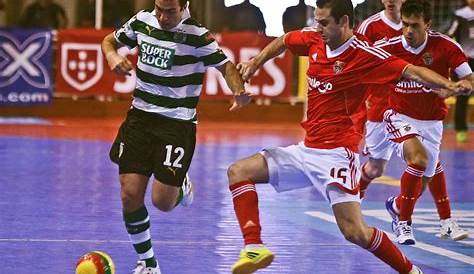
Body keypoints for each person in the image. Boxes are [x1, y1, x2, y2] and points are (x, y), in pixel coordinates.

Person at [228, 0, 471, 273]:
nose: (316, 28)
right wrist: (255, 62)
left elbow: (412, 70)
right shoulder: (314, 39)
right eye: (316, 21)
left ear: (344, 22)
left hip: (337, 155)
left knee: (355, 232)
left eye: (323, 23)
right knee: (238, 171)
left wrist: (449, 85)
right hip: (306, 150)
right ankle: (254, 247)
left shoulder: (364, 54)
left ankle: (411, 271)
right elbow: (285, 40)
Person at [101, 1, 251, 273]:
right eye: (159, 8)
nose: (162, 16)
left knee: (163, 202)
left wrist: (238, 90)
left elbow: (226, 67)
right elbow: (109, 41)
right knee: (129, 194)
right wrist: (112, 56)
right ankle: (148, 263)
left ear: (184, 7)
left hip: (177, 124)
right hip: (140, 118)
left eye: (170, 11)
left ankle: (180, 185)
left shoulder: (197, 35)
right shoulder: (143, 21)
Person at [363, 0, 471, 245]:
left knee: (424, 178)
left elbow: (469, 79)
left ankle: (398, 206)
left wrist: (456, 90)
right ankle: (403, 225)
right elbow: (358, 66)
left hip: (432, 121)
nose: (408, 31)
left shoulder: (446, 46)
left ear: (428, 25)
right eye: (404, 25)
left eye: (414, 25)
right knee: (417, 160)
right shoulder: (387, 47)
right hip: (397, 114)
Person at [356, 0, 404, 187]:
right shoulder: (369, 27)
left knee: (421, 160)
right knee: (376, 169)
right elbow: (355, 62)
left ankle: (442, 215)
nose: (390, 0)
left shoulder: (416, 26)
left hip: (410, 106)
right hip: (379, 105)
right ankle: (353, 200)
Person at [448, 0, 474, 142]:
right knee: (462, 94)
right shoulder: (459, 15)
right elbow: (450, 34)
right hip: (465, 61)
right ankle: (461, 129)